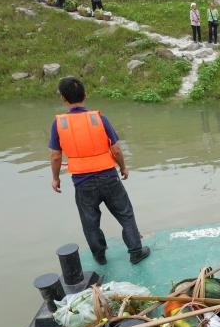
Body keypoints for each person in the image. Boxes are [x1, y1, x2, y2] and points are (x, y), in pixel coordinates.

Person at [49, 76, 151, 266]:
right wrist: (123, 167)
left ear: (63, 98)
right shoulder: (99, 118)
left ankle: (100, 256)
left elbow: (56, 156)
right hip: (109, 177)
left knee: (90, 221)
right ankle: (136, 251)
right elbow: (116, 149)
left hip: (82, 182)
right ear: (85, 95)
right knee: (125, 213)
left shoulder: (59, 124)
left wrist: (55, 178)